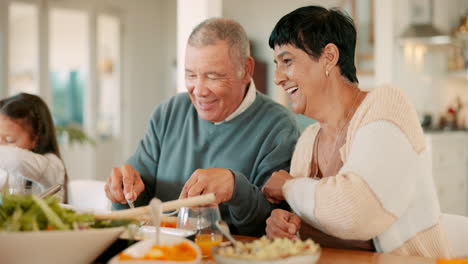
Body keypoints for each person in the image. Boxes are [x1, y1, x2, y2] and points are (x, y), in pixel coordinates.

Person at [262, 5, 451, 258]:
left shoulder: (387, 104)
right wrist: (284, 223)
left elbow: (356, 211)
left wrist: (288, 187)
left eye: (287, 61)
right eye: (276, 64)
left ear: (329, 56)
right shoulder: (308, 141)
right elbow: (309, 221)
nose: (277, 78)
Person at [104, 18, 300, 236]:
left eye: (213, 76)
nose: (199, 90)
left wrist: (235, 188)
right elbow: (137, 202)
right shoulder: (169, 112)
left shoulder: (279, 127)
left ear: (246, 70)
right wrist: (122, 190)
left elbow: (271, 225)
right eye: (191, 75)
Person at [0, 93, 67, 202]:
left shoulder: (51, 165)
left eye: (9, 140)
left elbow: (17, 161)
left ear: (35, 139)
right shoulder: (8, 168)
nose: (1, 145)